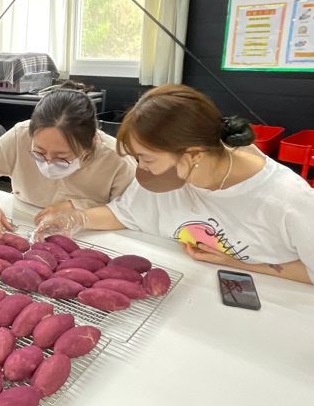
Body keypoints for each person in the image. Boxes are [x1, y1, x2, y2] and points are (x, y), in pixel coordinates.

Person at [34, 84, 314, 285]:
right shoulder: (171, 176)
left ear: (192, 155)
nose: (141, 168)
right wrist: (77, 218)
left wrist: (238, 263)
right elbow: (124, 212)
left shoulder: (288, 201)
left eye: (146, 159)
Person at [0, 83, 136, 241]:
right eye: (39, 152)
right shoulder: (20, 136)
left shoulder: (117, 158)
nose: (48, 163)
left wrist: (77, 211)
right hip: (22, 223)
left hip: (92, 236)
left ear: (92, 142)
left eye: (62, 157)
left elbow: (130, 213)